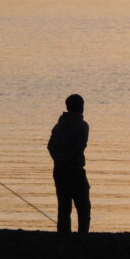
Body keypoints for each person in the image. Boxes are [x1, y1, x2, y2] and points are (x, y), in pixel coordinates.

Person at [47, 93, 91, 234]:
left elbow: (50, 146)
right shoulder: (82, 125)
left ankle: (63, 234)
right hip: (75, 169)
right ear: (81, 107)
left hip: (59, 170)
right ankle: (83, 234)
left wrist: (58, 159)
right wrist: (66, 159)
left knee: (64, 206)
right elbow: (79, 146)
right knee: (83, 205)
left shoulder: (59, 125)